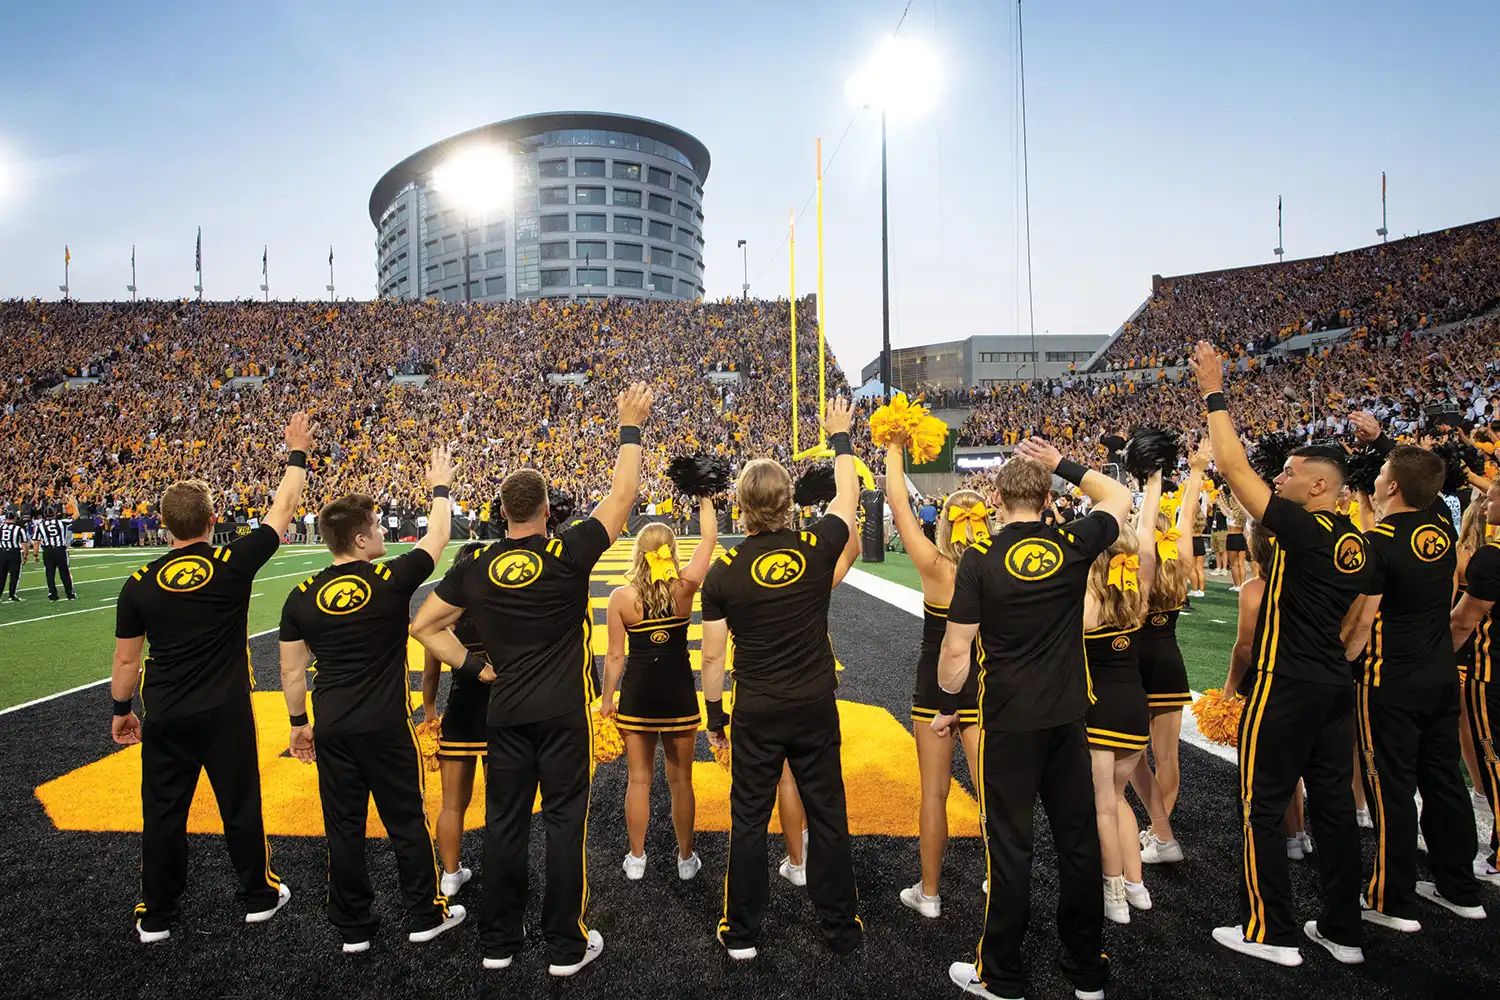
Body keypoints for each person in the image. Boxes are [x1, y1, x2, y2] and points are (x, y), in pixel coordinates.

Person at [409, 384, 654, 977]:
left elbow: (423, 625)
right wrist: (628, 427)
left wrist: (472, 665)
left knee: (504, 825)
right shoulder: (567, 552)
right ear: (547, 511)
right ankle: (565, 947)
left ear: (502, 514)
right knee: (566, 824)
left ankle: (498, 941)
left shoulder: (475, 565)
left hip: (506, 712)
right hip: (564, 712)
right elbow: (622, 498)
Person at [935, 436, 1133, 1000]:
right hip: (1068, 718)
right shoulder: (1071, 541)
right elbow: (1117, 495)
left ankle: (1002, 973)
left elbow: (955, 651)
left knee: (1010, 846)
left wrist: (949, 707)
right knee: (1077, 843)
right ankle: (1086, 970)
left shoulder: (979, 558)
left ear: (997, 498)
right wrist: (1063, 464)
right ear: (1047, 497)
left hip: (1008, 719)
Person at [1191, 340, 1368, 968]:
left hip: (1285, 680)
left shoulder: (1307, 525)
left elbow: (1238, 475)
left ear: (1320, 486)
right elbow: (1361, 618)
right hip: (1333, 685)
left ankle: (1269, 931)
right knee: (1332, 809)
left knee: (1262, 804)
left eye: (1291, 473)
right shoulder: (1356, 538)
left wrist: (1214, 390)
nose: (1281, 480)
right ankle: (1342, 929)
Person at [109, 412, 311, 944]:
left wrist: (121, 711)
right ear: (211, 518)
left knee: (163, 813)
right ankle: (257, 897)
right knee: (240, 803)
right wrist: (295, 453)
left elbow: (127, 661)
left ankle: (156, 913)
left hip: (167, 712)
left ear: (162, 525)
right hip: (224, 707)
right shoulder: (230, 562)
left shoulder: (138, 584)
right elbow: (283, 508)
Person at [277, 445, 463, 953]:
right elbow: (439, 536)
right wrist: (440, 486)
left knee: (344, 827)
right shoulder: (389, 578)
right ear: (360, 539)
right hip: (385, 722)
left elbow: (292, 670)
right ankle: (423, 915)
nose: (383, 534)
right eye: (378, 529)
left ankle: (353, 926)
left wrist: (299, 722)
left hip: (333, 724)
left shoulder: (300, 595)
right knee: (406, 820)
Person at [699, 397, 863, 961]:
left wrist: (714, 719)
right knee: (828, 813)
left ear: (739, 509)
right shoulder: (816, 548)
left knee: (748, 819)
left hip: (758, 708)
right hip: (815, 702)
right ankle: (839, 927)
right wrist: (841, 438)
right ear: (790, 503)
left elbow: (715, 659)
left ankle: (742, 932)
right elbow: (846, 499)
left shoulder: (724, 572)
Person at [1341, 422, 1486, 928]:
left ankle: (1390, 897)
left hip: (1388, 681)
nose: (1378, 478)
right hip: (1440, 675)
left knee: (1391, 786)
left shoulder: (1376, 541)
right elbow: (1428, 482)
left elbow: (1361, 620)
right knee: (1444, 779)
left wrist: (1339, 667)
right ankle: (1460, 888)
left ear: (1393, 487)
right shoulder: (1441, 528)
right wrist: (1383, 445)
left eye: (1382, 472)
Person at [884, 433, 990, 918]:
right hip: (987, 685)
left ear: (944, 523)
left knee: (935, 793)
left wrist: (894, 447)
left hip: (936, 686)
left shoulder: (933, 565)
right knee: (994, 792)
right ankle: (998, 876)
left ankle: (929, 894)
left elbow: (900, 506)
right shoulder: (1001, 565)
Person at [599, 495, 718, 882]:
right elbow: (709, 540)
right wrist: (705, 500)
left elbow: (615, 658)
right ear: (670, 550)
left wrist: (606, 701)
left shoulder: (621, 597)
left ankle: (636, 858)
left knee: (638, 779)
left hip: (638, 694)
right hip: (678, 692)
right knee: (681, 780)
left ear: (638, 553)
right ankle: (686, 859)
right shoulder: (684, 588)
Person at [1136, 441, 1209, 864]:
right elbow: (1188, 521)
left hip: (1133, 664)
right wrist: (1195, 473)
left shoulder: (1138, 561)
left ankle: (1157, 829)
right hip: (1169, 662)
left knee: (1129, 756)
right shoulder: (1179, 565)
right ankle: (1159, 831)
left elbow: (1154, 525)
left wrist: (1152, 479)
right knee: (1167, 756)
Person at [1082, 493, 1152, 925]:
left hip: (1099, 712)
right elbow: (1145, 537)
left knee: (1102, 806)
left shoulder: (1089, 600)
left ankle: (1112, 892)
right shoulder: (1137, 593)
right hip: (1135, 709)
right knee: (1120, 800)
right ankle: (1136, 884)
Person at [419, 541, 490, 900]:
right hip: (501, 714)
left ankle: (449, 875)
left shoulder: (442, 617)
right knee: (502, 803)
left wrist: (430, 713)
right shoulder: (500, 608)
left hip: (460, 711)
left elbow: (430, 676)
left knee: (450, 804)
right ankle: (500, 868)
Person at [1450, 475, 1500, 885]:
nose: (1485, 504)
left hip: (1491, 672)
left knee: (1494, 757)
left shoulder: (1491, 557)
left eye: (1494, 496)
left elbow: (1462, 622)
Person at [33, 499, 78, 601]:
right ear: (54, 513)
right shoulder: (61, 522)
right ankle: (70, 594)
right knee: (65, 573)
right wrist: (74, 505)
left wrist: (35, 555)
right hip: (60, 550)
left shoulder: (40, 525)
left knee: (50, 574)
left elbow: (36, 541)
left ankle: (53, 595)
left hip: (48, 551)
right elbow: (76, 516)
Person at [0, 510, 27, 600]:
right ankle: (12, 595)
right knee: (14, 575)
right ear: (15, 518)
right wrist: (26, 556)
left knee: (1, 575)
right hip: (14, 553)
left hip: (2, 552)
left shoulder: (1, 527)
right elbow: (24, 544)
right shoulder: (19, 529)